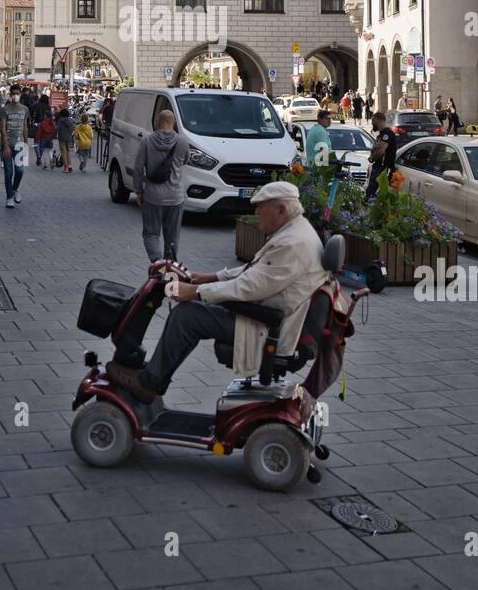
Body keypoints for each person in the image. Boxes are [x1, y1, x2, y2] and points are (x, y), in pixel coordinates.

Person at [107, 181, 326, 401]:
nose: (256, 211)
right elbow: (257, 272)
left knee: (186, 315)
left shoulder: (292, 244)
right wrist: (210, 278)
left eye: (261, 206)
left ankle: (149, 383)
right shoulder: (297, 231)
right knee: (193, 310)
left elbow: (249, 286)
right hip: (265, 314)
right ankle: (156, 375)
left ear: (281, 209)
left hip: (266, 325)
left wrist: (195, 291)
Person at [132, 108, 190, 263]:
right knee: (172, 236)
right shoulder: (182, 142)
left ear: (158, 122)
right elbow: (186, 161)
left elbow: (138, 168)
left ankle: (157, 262)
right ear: (174, 123)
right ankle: (170, 269)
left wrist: (138, 191)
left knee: (151, 233)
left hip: (153, 196)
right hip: (175, 198)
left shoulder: (147, 141)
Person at [0, 86, 29, 206]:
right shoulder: (5, 109)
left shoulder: (25, 109)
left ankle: (15, 188)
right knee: (8, 172)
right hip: (7, 144)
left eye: (17, 93)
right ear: (10, 95)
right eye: (13, 93)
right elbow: (2, 128)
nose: (15, 95)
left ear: (20, 94)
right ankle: (9, 197)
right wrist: (5, 146)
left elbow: (25, 126)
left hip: (20, 144)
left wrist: (26, 142)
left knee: (20, 170)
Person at [366, 111, 397, 200]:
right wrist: (373, 150)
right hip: (379, 168)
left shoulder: (386, 134)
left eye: (372, 121)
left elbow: (380, 152)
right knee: (371, 194)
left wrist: (371, 158)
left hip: (383, 169)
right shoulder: (381, 135)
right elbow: (374, 150)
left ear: (376, 120)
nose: (372, 124)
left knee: (372, 195)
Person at [57, 105, 75, 172]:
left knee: (63, 152)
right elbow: (73, 128)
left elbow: (57, 128)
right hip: (69, 137)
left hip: (61, 137)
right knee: (68, 151)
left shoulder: (60, 121)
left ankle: (66, 167)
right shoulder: (70, 120)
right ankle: (70, 165)